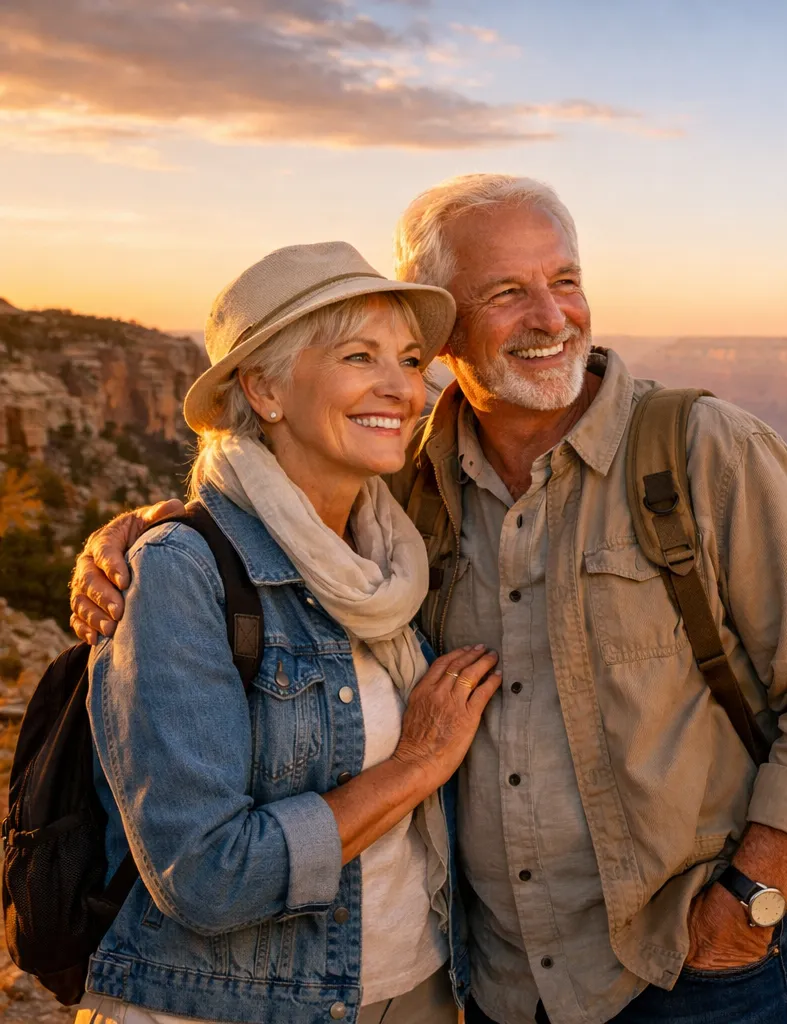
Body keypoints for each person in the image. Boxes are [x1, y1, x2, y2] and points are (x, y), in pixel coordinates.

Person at [71, 176, 787, 1024]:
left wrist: (746, 913)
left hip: (696, 970)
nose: (551, 317)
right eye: (507, 293)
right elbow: (268, 522)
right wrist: (150, 536)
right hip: (505, 986)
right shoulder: (412, 491)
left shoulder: (704, 451)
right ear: (448, 330)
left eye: (565, 281)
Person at [76, 242, 502, 1024]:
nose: (401, 389)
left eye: (410, 361)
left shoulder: (396, 553)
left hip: (419, 990)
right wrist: (417, 763)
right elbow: (204, 874)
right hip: (241, 1005)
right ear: (265, 388)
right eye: (359, 356)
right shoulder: (181, 572)